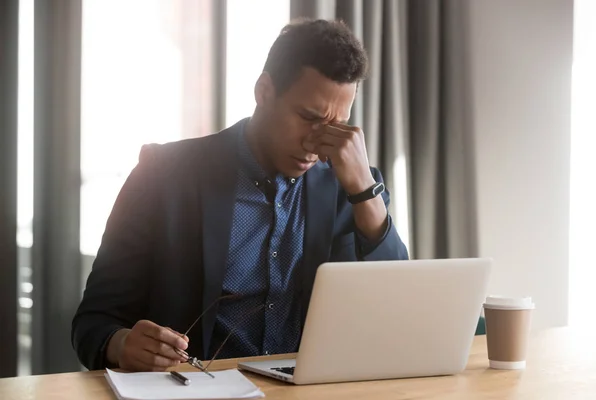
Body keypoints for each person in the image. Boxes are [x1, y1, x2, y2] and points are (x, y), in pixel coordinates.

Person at [71, 18, 409, 372]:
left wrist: (364, 192)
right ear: (264, 91)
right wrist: (122, 344)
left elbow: (396, 307)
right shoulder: (163, 174)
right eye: (309, 117)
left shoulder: (352, 187)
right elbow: (93, 321)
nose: (317, 143)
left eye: (336, 125)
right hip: (195, 391)